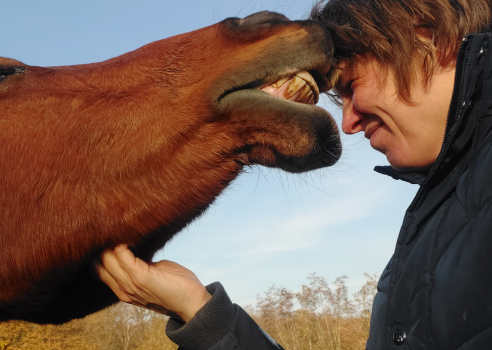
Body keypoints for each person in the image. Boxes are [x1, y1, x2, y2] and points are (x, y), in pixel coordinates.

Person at [95, 0, 492, 349]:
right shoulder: (442, 215)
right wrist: (199, 312)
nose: (348, 123)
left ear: (428, 41)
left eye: (351, 86)